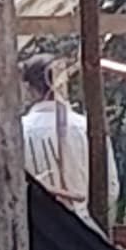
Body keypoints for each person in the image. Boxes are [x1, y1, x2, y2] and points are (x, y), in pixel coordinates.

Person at [19, 50, 91, 211]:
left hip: (36, 222)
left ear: (28, 88)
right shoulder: (86, 128)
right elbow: (110, 188)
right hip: (84, 222)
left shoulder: (18, 132)